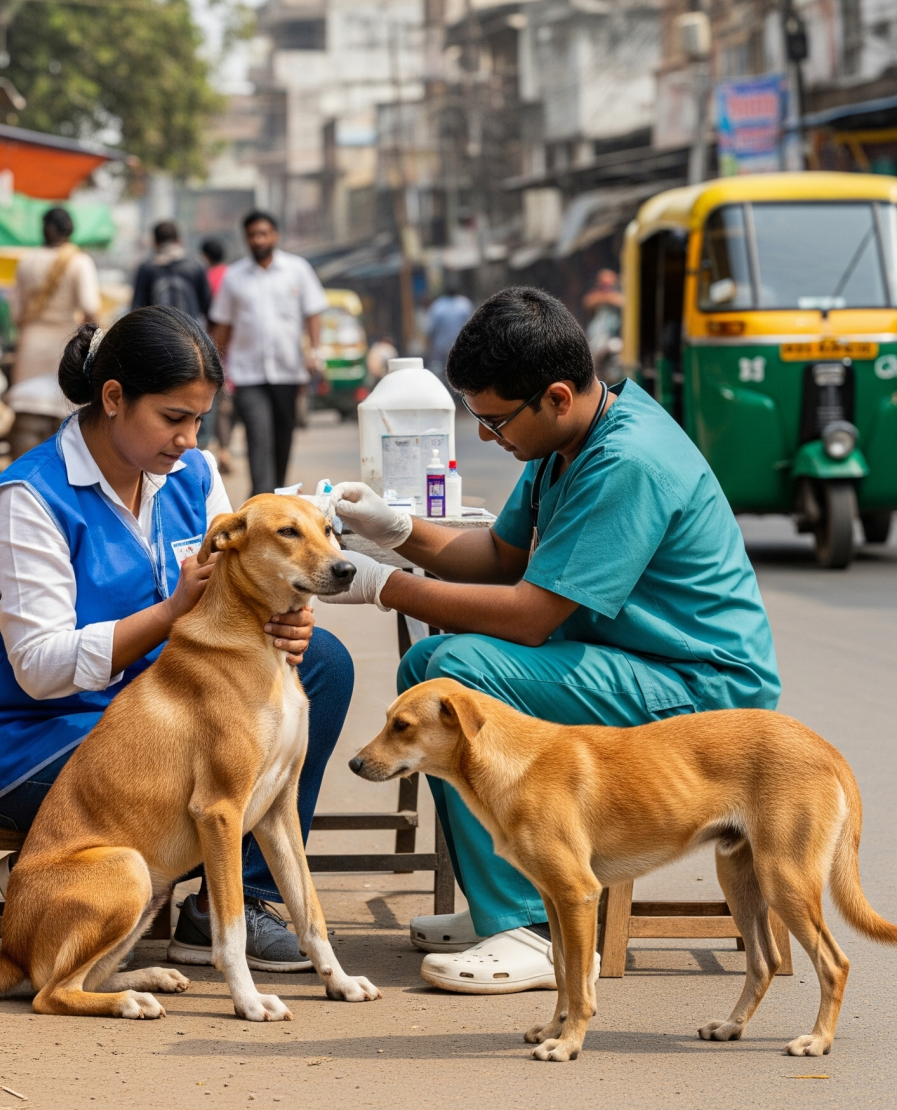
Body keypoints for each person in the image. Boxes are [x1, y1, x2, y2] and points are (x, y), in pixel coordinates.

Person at [321, 286, 780, 995]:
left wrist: (384, 585)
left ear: (556, 397)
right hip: (631, 661)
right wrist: (396, 530)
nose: (486, 437)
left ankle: (532, 925)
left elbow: (530, 615)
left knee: (452, 673)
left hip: (698, 685)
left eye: (495, 420)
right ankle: (506, 897)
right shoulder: (566, 440)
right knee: (435, 669)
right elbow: (499, 557)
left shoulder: (627, 460)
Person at [0, 305, 355, 971]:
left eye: (199, 420)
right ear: (113, 398)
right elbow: (40, 668)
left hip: (163, 709)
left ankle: (231, 904)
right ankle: (71, 873)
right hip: (40, 735)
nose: (188, 438)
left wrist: (286, 615)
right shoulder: (28, 498)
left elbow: (239, 583)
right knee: (214, 761)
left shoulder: (192, 473)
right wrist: (168, 615)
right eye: (172, 418)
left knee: (321, 664)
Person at [209, 210, 327, 496]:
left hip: (288, 371)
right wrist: (215, 366)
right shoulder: (234, 276)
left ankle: (278, 497)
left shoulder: (297, 269)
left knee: (283, 438)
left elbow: (313, 313)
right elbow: (223, 326)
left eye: (263, 234)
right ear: (246, 238)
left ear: (275, 236)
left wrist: (315, 351)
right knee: (258, 436)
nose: (258, 240)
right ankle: (262, 497)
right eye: (253, 235)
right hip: (248, 374)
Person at [12, 207, 101, 386]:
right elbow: (90, 307)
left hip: (30, 346)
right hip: (65, 347)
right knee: (61, 399)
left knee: (26, 396)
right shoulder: (80, 261)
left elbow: (15, 314)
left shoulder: (26, 261)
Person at [131, 221, 213, 323]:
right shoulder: (195, 266)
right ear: (179, 240)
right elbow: (206, 303)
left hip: (157, 328)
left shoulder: (147, 268)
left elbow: (138, 306)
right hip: (190, 327)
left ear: (155, 242)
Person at [424, 281, 474, 382]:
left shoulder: (438, 305)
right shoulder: (465, 304)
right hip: (460, 346)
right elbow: (472, 326)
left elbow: (431, 329)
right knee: (460, 373)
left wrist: (428, 346)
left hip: (441, 348)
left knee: (443, 374)